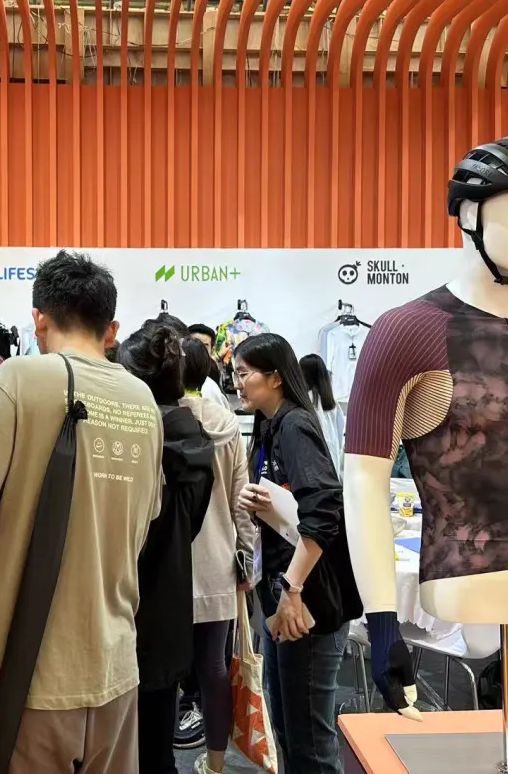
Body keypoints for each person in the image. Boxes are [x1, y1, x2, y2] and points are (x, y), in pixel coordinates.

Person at [0, 251, 164, 774]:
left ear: (39, 320)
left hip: (27, 678)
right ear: (111, 329)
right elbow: (144, 520)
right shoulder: (142, 399)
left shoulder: (20, 379)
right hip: (116, 670)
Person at [234, 333, 359, 774]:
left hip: (307, 597)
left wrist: (293, 589)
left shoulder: (294, 425)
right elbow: (295, 502)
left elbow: (325, 510)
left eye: (244, 374)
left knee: (309, 738)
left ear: (274, 378)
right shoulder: (269, 425)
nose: (237, 383)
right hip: (283, 592)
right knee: (289, 727)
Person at [120, 325, 215, 774]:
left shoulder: (134, 444)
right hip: (171, 603)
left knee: (122, 747)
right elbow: (191, 525)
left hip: (126, 606)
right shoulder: (196, 438)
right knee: (157, 746)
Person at [178, 337, 257, 774]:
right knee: (213, 668)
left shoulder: (158, 420)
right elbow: (241, 502)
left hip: (165, 566)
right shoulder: (226, 424)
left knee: (157, 669)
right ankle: (216, 764)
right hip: (217, 562)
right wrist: (246, 556)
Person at [299, 353, 343, 474]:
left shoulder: (303, 402)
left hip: (312, 466)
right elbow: (339, 435)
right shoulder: (333, 404)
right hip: (332, 462)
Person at [187, 324, 227, 407]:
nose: (198, 351)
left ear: (212, 350)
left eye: (204, 347)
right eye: (193, 345)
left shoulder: (212, 379)